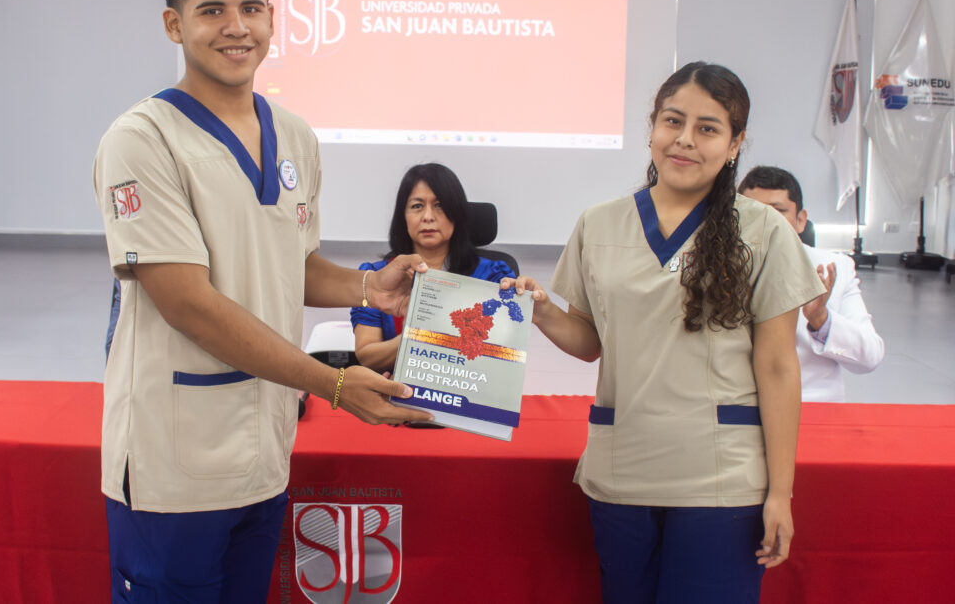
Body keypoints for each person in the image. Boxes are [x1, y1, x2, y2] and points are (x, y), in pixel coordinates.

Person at [92, 0, 430, 603]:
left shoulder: (294, 134)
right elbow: (186, 302)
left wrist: (368, 287)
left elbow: (291, 264)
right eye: (212, 10)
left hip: (264, 453)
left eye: (252, 8)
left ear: (275, 18)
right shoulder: (143, 139)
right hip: (172, 462)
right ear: (175, 25)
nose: (236, 26)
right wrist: (333, 384)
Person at [508, 62, 825, 603]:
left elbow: (777, 366)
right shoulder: (599, 223)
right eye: (672, 121)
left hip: (721, 482)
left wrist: (781, 494)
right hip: (621, 471)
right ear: (651, 128)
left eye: (708, 128)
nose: (684, 140)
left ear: (734, 144)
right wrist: (539, 311)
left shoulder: (764, 229)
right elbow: (590, 343)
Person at [350, 163, 515, 372]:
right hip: (397, 396)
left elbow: (504, 354)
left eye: (439, 205)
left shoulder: (492, 276)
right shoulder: (378, 277)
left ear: (457, 214)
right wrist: (418, 335)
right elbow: (368, 356)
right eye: (417, 206)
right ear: (403, 217)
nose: (428, 216)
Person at [739, 166, 884, 402]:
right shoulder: (716, 269)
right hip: (739, 408)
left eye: (777, 212)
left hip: (812, 405)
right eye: (753, 212)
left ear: (800, 221)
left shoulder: (834, 268)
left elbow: (870, 357)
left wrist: (821, 320)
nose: (765, 223)